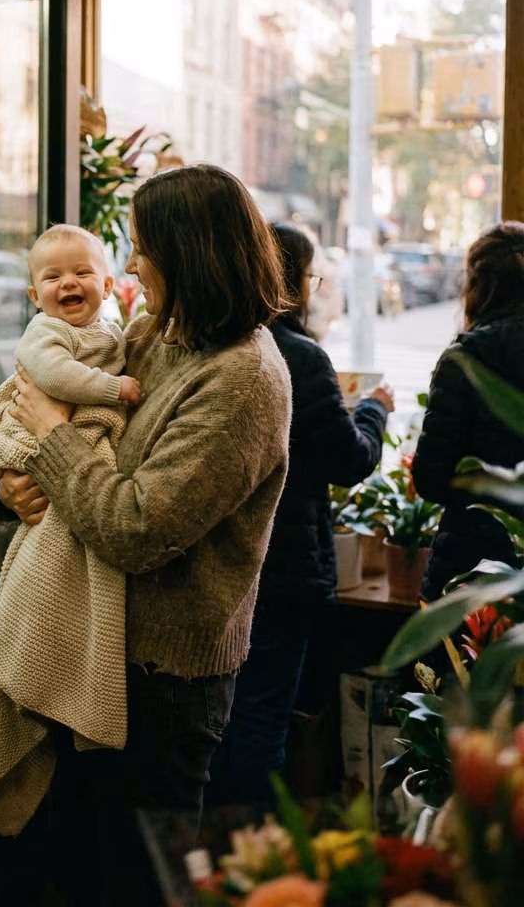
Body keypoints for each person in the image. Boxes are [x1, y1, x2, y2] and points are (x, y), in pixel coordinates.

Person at [0, 164, 293, 905]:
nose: (129, 266)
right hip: (90, 649)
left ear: (188, 253)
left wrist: (53, 437)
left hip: (164, 683)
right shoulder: (160, 333)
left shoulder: (243, 380)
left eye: (141, 248)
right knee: (78, 870)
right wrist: (11, 488)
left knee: (139, 881)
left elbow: (133, 527)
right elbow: (52, 414)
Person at [208, 221, 394, 815]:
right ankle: (253, 854)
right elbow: (350, 460)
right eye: (312, 276)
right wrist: (372, 411)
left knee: (223, 718)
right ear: (292, 281)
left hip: (221, 567)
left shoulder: (217, 344)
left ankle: (218, 849)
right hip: (283, 570)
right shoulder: (300, 357)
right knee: (264, 718)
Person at [0, 224, 141, 839]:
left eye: (81, 273)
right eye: (52, 277)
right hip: (56, 479)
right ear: (33, 295)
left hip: (86, 498)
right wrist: (110, 392)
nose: (67, 283)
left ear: (107, 282)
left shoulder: (120, 332)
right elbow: (44, 384)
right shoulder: (49, 335)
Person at [413, 221, 524, 601]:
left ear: (479, 284)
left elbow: (430, 478)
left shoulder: (465, 359)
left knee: (454, 662)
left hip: (470, 568)